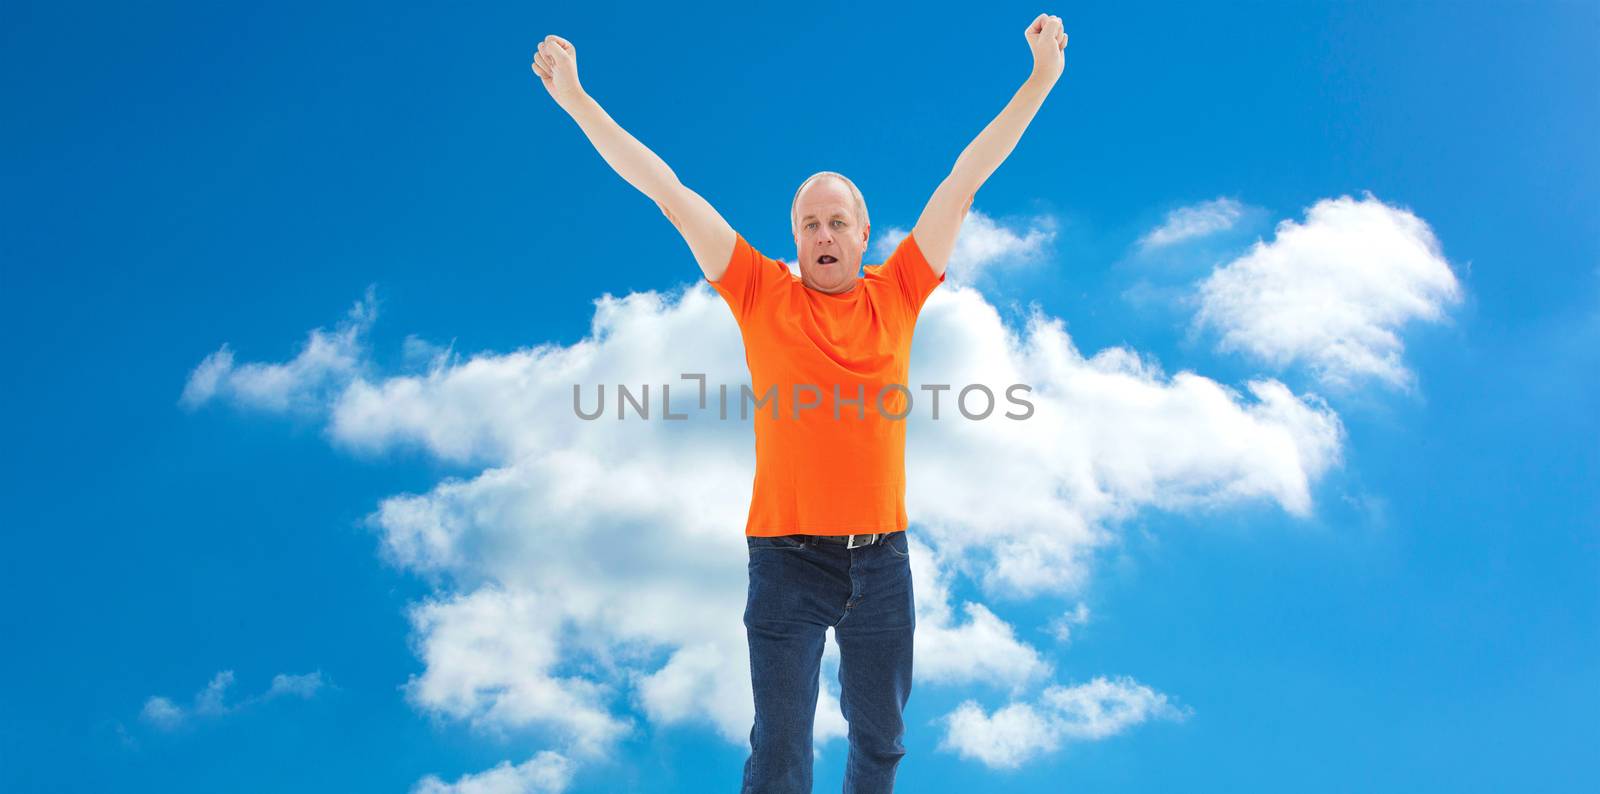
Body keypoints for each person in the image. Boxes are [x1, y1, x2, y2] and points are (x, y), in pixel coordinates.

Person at [531, 14, 1067, 792]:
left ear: (862, 234)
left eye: (837, 222)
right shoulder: (757, 290)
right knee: (781, 753)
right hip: (785, 558)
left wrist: (1040, 81)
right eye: (810, 223)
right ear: (794, 235)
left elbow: (965, 178)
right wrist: (577, 99)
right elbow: (668, 192)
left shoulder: (902, 289)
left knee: (880, 742)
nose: (824, 233)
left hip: (883, 559)